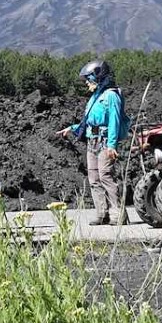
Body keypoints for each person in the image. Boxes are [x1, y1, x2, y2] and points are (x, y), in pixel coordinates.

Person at [56, 60, 129, 226]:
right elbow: (89, 121)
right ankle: (102, 213)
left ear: (99, 77)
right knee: (94, 179)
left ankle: (118, 214)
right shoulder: (95, 96)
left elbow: (114, 122)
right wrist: (73, 128)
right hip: (92, 141)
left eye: (89, 79)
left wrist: (112, 145)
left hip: (104, 142)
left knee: (106, 176)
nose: (87, 83)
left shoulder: (111, 95)